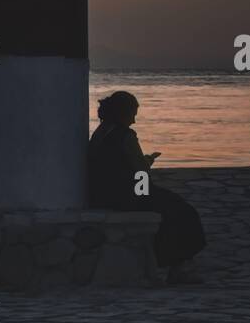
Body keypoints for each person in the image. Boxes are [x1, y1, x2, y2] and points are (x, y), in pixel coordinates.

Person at [87, 90, 206, 283]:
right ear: (123, 113)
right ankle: (179, 266)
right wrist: (149, 164)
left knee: (166, 204)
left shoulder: (100, 133)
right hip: (125, 195)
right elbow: (140, 170)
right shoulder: (126, 136)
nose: (134, 121)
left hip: (103, 193)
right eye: (132, 114)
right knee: (181, 211)